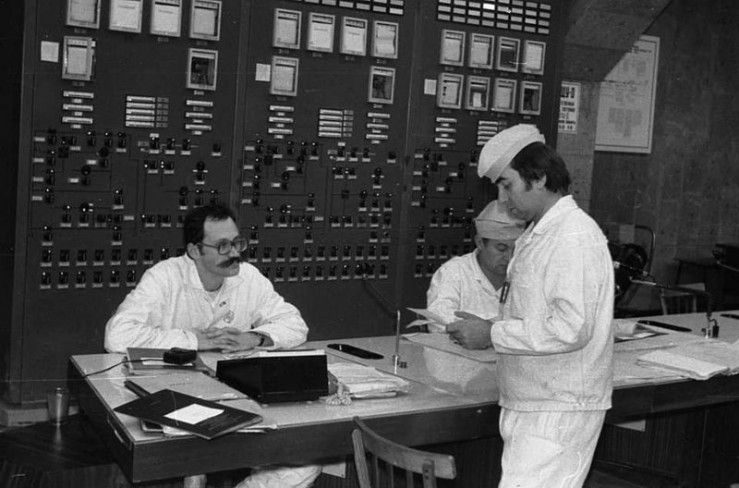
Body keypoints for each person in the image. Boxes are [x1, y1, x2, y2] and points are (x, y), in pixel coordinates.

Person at [105, 204, 320, 488]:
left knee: (307, 460)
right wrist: (195, 340)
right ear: (194, 251)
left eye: (237, 242)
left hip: (236, 400)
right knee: (193, 462)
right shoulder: (165, 277)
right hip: (173, 399)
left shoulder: (248, 277)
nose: (234, 253)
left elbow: (295, 324)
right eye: (222, 246)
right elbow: (117, 335)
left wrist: (254, 336)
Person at [446, 124, 615, 488]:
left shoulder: (572, 237)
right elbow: (536, 313)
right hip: (535, 402)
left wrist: (492, 334)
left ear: (538, 178)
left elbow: (571, 329)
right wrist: (490, 326)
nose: (502, 198)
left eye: (507, 185)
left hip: (556, 408)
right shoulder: (542, 233)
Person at [425, 199, 525, 332]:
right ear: (480, 243)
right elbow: (437, 320)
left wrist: (490, 330)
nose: (509, 257)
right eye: (501, 249)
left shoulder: (524, 273)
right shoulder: (454, 272)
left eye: (515, 250)